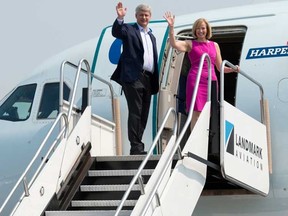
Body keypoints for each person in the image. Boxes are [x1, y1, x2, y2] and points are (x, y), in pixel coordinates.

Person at [163, 12, 239, 129]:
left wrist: (233, 69)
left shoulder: (215, 45)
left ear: (207, 29)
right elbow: (174, 44)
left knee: (208, 113)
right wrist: (171, 27)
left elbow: (220, 68)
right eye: (198, 28)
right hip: (196, 80)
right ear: (195, 30)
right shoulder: (190, 44)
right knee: (196, 113)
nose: (200, 31)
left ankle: (204, 141)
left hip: (211, 81)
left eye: (202, 28)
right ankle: (194, 142)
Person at [111, 2, 159, 155]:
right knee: (136, 111)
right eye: (141, 15)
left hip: (148, 78)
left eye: (146, 15)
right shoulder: (129, 29)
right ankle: (136, 147)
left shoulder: (151, 36)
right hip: (133, 77)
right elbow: (117, 32)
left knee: (143, 113)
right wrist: (120, 18)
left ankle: (137, 144)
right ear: (136, 16)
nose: (144, 17)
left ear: (150, 17)